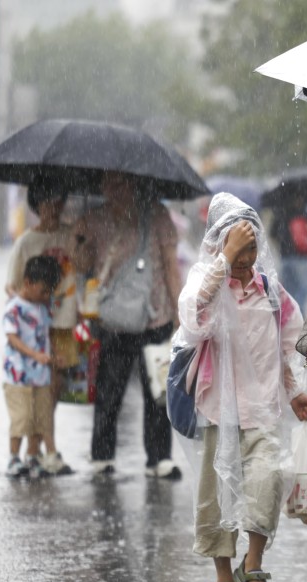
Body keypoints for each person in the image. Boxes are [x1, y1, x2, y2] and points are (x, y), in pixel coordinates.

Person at [173, 192, 307, 582]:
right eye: (236, 249)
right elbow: (192, 319)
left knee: (266, 481)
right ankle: (223, 577)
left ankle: (252, 565)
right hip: (215, 412)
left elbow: (290, 343)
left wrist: (295, 392)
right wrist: (223, 262)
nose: (244, 259)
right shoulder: (206, 282)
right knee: (215, 498)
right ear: (217, 246)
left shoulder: (271, 291)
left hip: (260, 410)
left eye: (251, 249)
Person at [72, 171, 184, 478]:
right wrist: (79, 238)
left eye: (120, 183)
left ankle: (159, 458)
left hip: (156, 315)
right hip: (114, 320)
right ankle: (102, 456)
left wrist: (181, 313)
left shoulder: (157, 215)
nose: (113, 189)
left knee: (158, 392)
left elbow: (171, 266)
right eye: (107, 183)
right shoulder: (94, 217)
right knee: (109, 389)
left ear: (134, 182)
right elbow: (81, 267)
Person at [4, 177, 78, 475]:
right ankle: (38, 452)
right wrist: (32, 313)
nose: (55, 208)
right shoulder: (26, 243)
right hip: (34, 331)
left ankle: (36, 451)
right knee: (36, 392)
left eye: (59, 202)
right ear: (37, 205)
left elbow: (84, 269)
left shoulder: (72, 235)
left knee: (52, 392)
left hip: (63, 325)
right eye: (49, 202)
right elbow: (11, 287)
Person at [3, 255, 63, 479]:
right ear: (28, 282)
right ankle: (13, 457)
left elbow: (47, 334)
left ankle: (33, 457)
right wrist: (35, 355)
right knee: (21, 418)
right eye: (43, 291)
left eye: (49, 292)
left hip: (41, 377)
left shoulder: (42, 307)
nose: (46, 297)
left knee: (40, 419)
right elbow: (12, 338)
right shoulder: (14, 308)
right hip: (17, 377)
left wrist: (53, 356)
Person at [272, 193, 307, 311]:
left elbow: (272, 235)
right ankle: (299, 320)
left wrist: (283, 244)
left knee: (288, 293)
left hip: (285, 259)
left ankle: (289, 321)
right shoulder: (302, 213)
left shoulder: (279, 213)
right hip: (300, 259)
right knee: (303, 291)